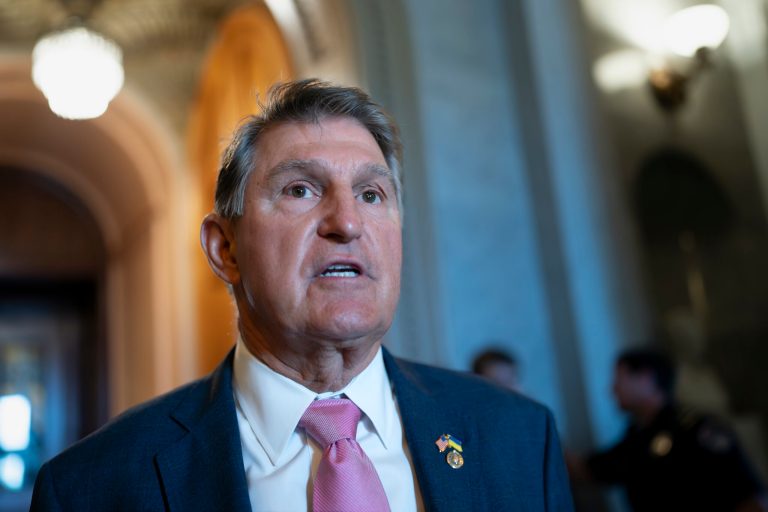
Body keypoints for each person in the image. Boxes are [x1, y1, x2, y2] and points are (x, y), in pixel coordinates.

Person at [30, 79, 573, 511]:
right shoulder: (92, 488)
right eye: (300, 190)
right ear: (226, 250)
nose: (347, 222)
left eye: (371, 193)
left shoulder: (518, 437)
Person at [568, 348, 767, 512]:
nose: (612, 390)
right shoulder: (638, 436)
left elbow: (749, 499)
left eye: (619, 378)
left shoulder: (694, 429)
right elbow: (588, 470)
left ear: (646, 378)